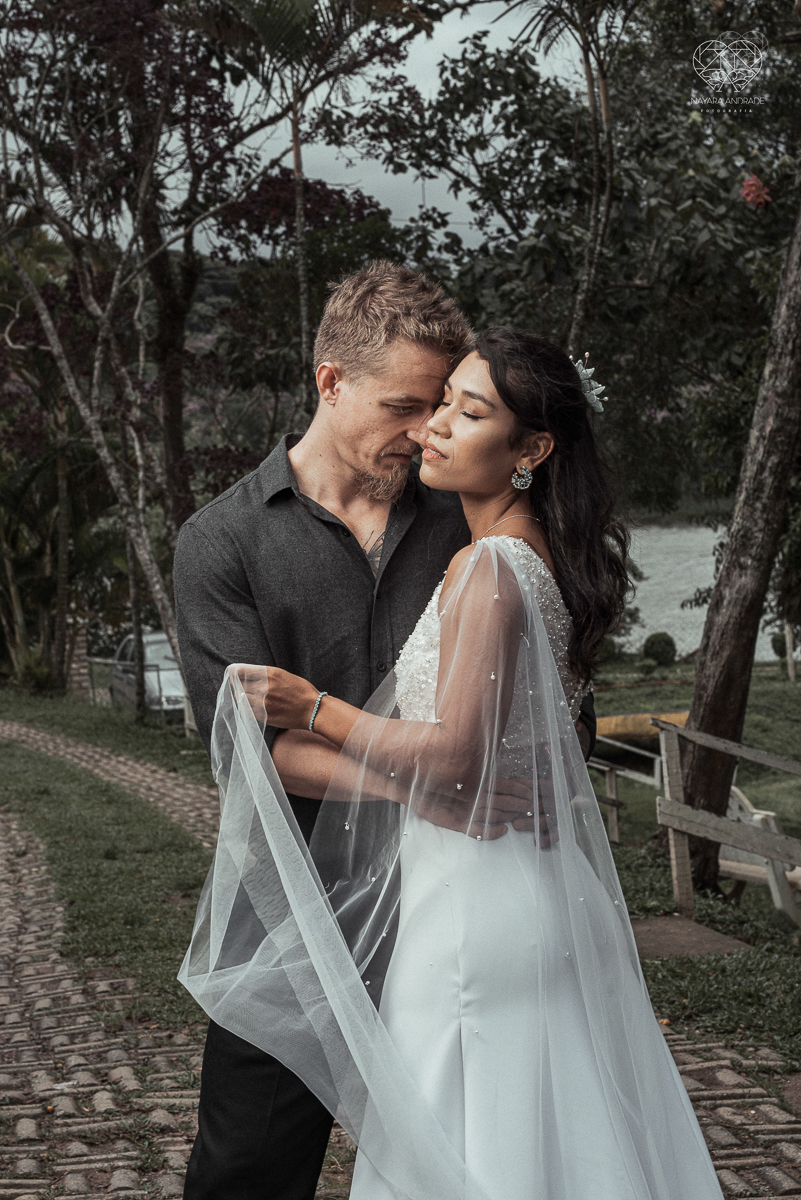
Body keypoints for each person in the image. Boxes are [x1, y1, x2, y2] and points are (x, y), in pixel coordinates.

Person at [179, 328, 724, 1199]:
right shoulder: (227, 539)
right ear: (330, 383)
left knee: (457, 1151)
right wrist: (438, 782)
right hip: (378, 894)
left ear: (530, 449)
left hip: (469, 905)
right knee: (499, 1146)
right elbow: (261, 753)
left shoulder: (480, 552)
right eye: (418, 405)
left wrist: (312, 706)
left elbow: (481, 748)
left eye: (458, 409)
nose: (428, 428)